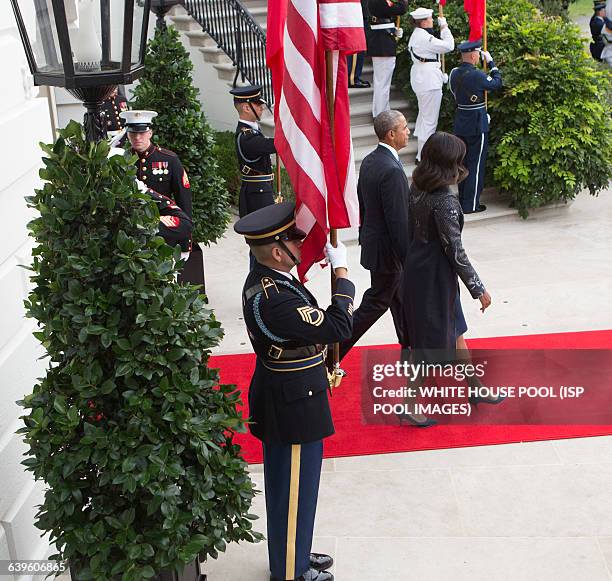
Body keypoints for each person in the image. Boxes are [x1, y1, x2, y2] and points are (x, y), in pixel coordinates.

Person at [234, 202, 355, 581]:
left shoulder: (271, 279)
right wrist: (342, 272)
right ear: (276, 252)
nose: (301, 246)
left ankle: (296, 553)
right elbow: (338, 325)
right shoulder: (275, 298)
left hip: (294, 394)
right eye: (294, 242)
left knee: (298, 491)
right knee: (292, 493)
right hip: (293, 402)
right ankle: (290, 571)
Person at [399, 132, 495, 426]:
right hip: (434, 279)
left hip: (419, 270)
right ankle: (409, 404)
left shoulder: (416, 186)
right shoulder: (444, 201)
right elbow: (455, 250)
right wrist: (478, 289)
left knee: (456, 331)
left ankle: (475, 389)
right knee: (428, 344)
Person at [339, 110, 410, 360]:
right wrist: (409, 258)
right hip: (388, 253)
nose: (408, 131)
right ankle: (333, 351)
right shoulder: (390, 169)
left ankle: (409, 348)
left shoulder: (371, 160)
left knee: (399, 299)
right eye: (404, 128)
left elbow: (366, 207)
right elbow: (398, 222)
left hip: (376, 246)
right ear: (391, 134)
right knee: (376, 303)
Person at [120, 110, 193, 259]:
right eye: (133, 133)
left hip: (163, 233)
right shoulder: (120, 161)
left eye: (142, 132)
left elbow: (184, 202)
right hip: (131, 236)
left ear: (150, 133)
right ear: (127, 134)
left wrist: (186, 242)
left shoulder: (169, 160)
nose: (137, 137)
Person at [448, 40, 502, 214]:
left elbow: (453, 93)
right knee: (476, 165)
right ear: (473, 55)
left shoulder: (454, 73)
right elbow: (496, 83)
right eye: (478, 54)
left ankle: (463, 199)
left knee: (462, 164)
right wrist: (492, 63)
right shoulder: (477, 75)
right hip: (477, 123)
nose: (479, 57)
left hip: (461, 121)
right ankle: (470, 205)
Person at [407, 7, 455, 162]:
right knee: (429, 120)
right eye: (430, 19)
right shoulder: (424, 38)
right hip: (428, 81)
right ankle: (424, 157)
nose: (432, 20)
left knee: (424, 117)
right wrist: (445, 27)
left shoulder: (417, 35)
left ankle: (420, 153)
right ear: (423, 22)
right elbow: (449, 46)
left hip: (422, 77)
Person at [230, 85, 277, 218]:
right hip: (258, 197)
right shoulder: (247, 137)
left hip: (260, 192)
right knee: (265, 235)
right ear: (246, 108)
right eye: (258, 104)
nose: (262, 108)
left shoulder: (253, 131)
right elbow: (276, 145)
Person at [367, 0, 409, 117]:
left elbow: (387, 14)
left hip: (381, 39)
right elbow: (400, 9)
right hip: (383, 43)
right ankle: (382, 114)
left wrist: (393, 30)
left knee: (380, 82)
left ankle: (379, 111)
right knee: (383, 83)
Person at [347, 0, 371, 88]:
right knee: (356, 50)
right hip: (356, 15)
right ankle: (352, 78)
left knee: (361, 49)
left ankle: (356, 76)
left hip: (363, 15)